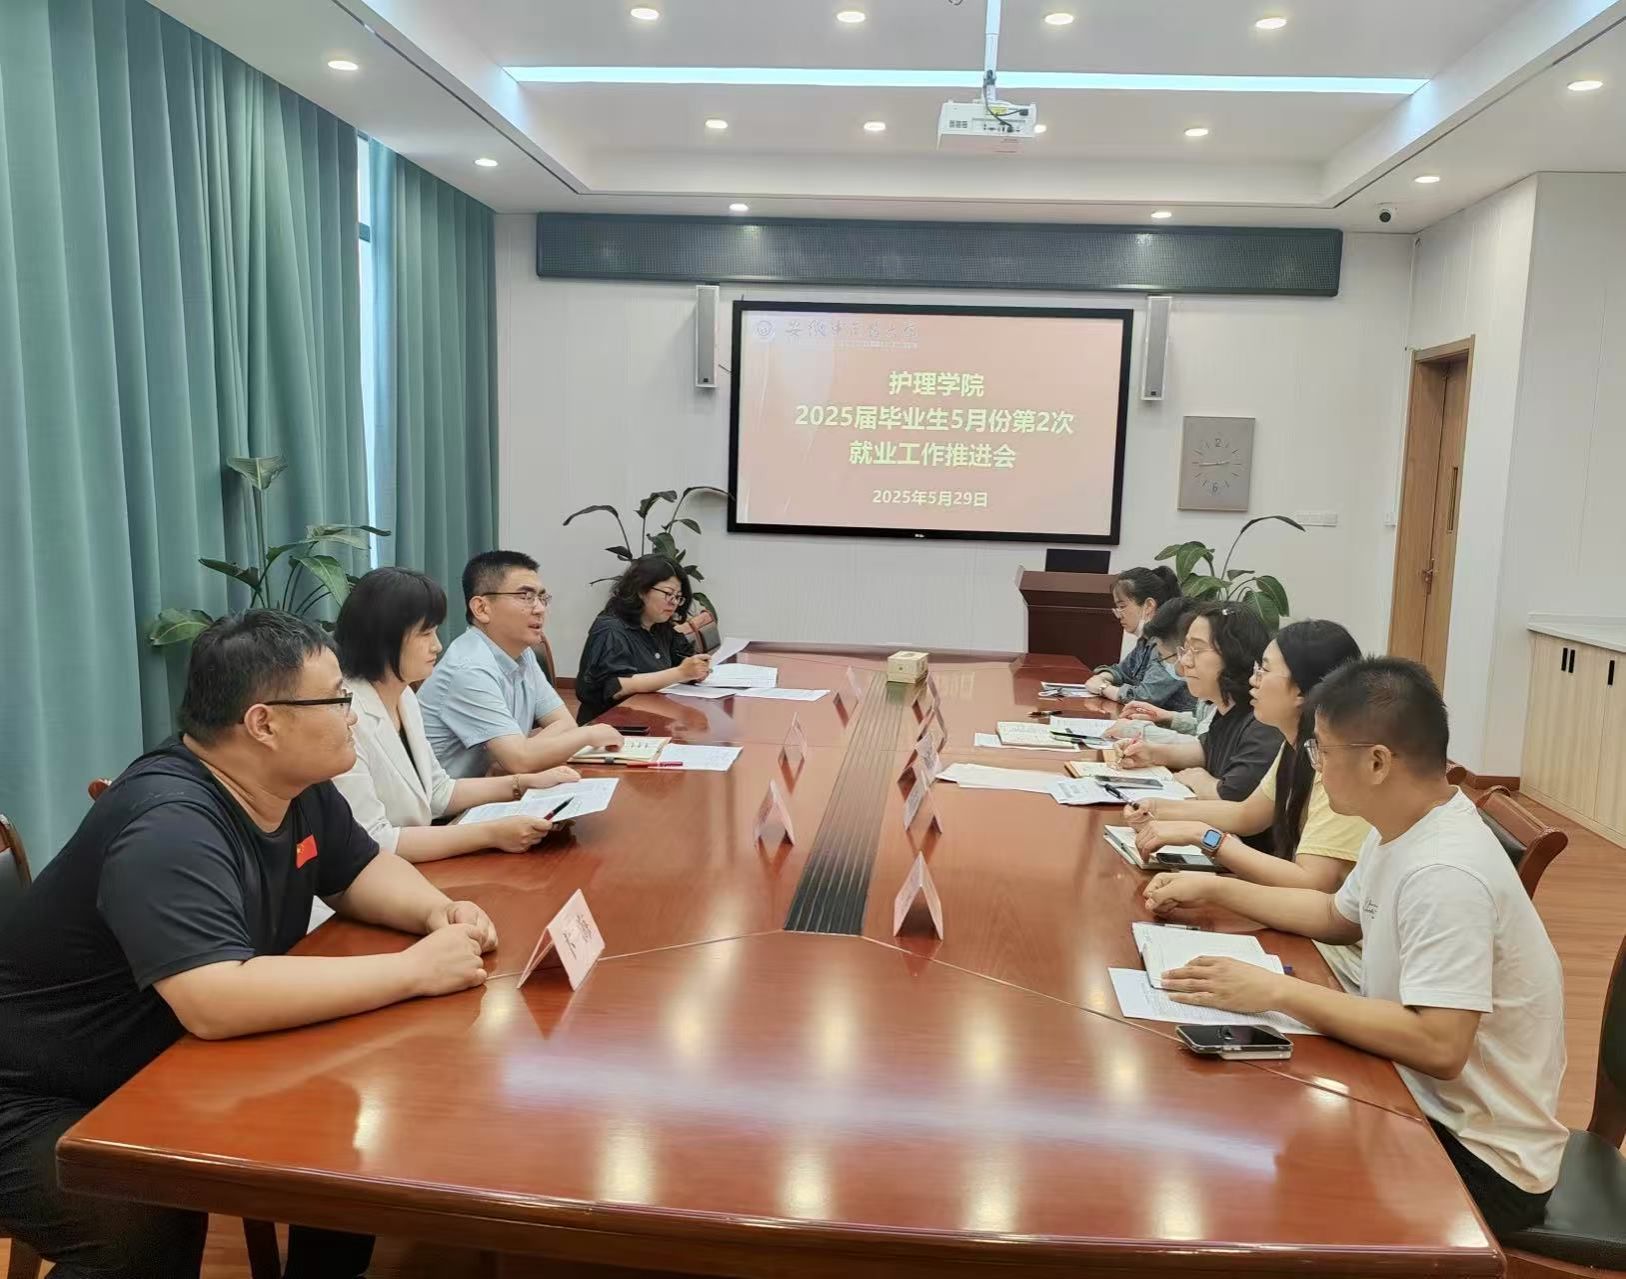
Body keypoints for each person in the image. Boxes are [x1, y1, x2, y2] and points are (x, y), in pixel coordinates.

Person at [0, 612, 500, 1279]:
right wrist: (412, 970)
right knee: (141, 1217)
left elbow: (358, 869)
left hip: (160, 1062)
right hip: (32, 1095)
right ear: (263, 723)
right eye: (336, 699)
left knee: (337, 1100)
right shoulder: (171, 823)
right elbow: (214, 999)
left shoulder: (294, 786)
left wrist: (438, 911)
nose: (353, 714)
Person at [1143, 657, 1567, 1237]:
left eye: (1322, 750)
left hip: (1479, 1156)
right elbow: (1335, 916)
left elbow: (1440, 1044)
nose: (1315, 766)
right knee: (1239, 1127)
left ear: (1377, 761)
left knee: (1244, 1176)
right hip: (1414, 1094)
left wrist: (1275, 990)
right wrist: (1216, 888)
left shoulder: (1446, 872)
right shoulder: (1401, 826)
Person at [334, 567, 583, 863]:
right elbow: (373, 840)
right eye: (425, 633)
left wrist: (522, 784)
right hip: (373, 871)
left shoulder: (403, 696)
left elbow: (438, 791)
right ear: (383, 638)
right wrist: (492, 834)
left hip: (416, 852)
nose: (437, 645)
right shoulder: (344, 715)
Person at [1126, 619, 1369, 887]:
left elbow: (1313, 882)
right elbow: (1247, 814)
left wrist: (1204, 836)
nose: (1253, 680)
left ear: (1302, 690)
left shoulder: (1338, 764)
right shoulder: (1295, 744)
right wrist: (1157, 808)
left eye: (1265, 670)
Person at [418, 550, 622, 778]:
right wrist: (588, 735)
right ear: (482, 608)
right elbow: (520, 760)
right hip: (452, 799)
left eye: (542, 597)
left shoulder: (523, 653)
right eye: (525, 596)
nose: (540, 608)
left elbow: (564, 724)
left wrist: (522, 752)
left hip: (496, 786)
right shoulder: (469, 669)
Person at [1116, 602, 1282, 804]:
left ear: (1234, 654)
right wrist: (1151, 753)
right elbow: (1207, 750)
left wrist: (1201, 780)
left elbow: (1231, 795)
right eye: (1185, 649)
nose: (1185, 661)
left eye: (1197, 649)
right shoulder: (1227, 709)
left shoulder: (1263, 721)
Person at [575, 555, 714, 724]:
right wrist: (680, 673)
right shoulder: (611, 629)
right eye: (668, 594)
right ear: (641, 590)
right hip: (611, 725)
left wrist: (695, 671)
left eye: (678, 597)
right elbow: (614, 687)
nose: (674, 603)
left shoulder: (659, 626)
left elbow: (681, 660)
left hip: (650, 717)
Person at [1084, 567, 1190, 708]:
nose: (1119, 615)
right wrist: (1102, 677)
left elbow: (1146, 697)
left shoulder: (1167, 642)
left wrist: (1103, 687)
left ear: (1149, 605)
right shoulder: (1145, 640)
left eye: (1122, 606)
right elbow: (1122, 671)